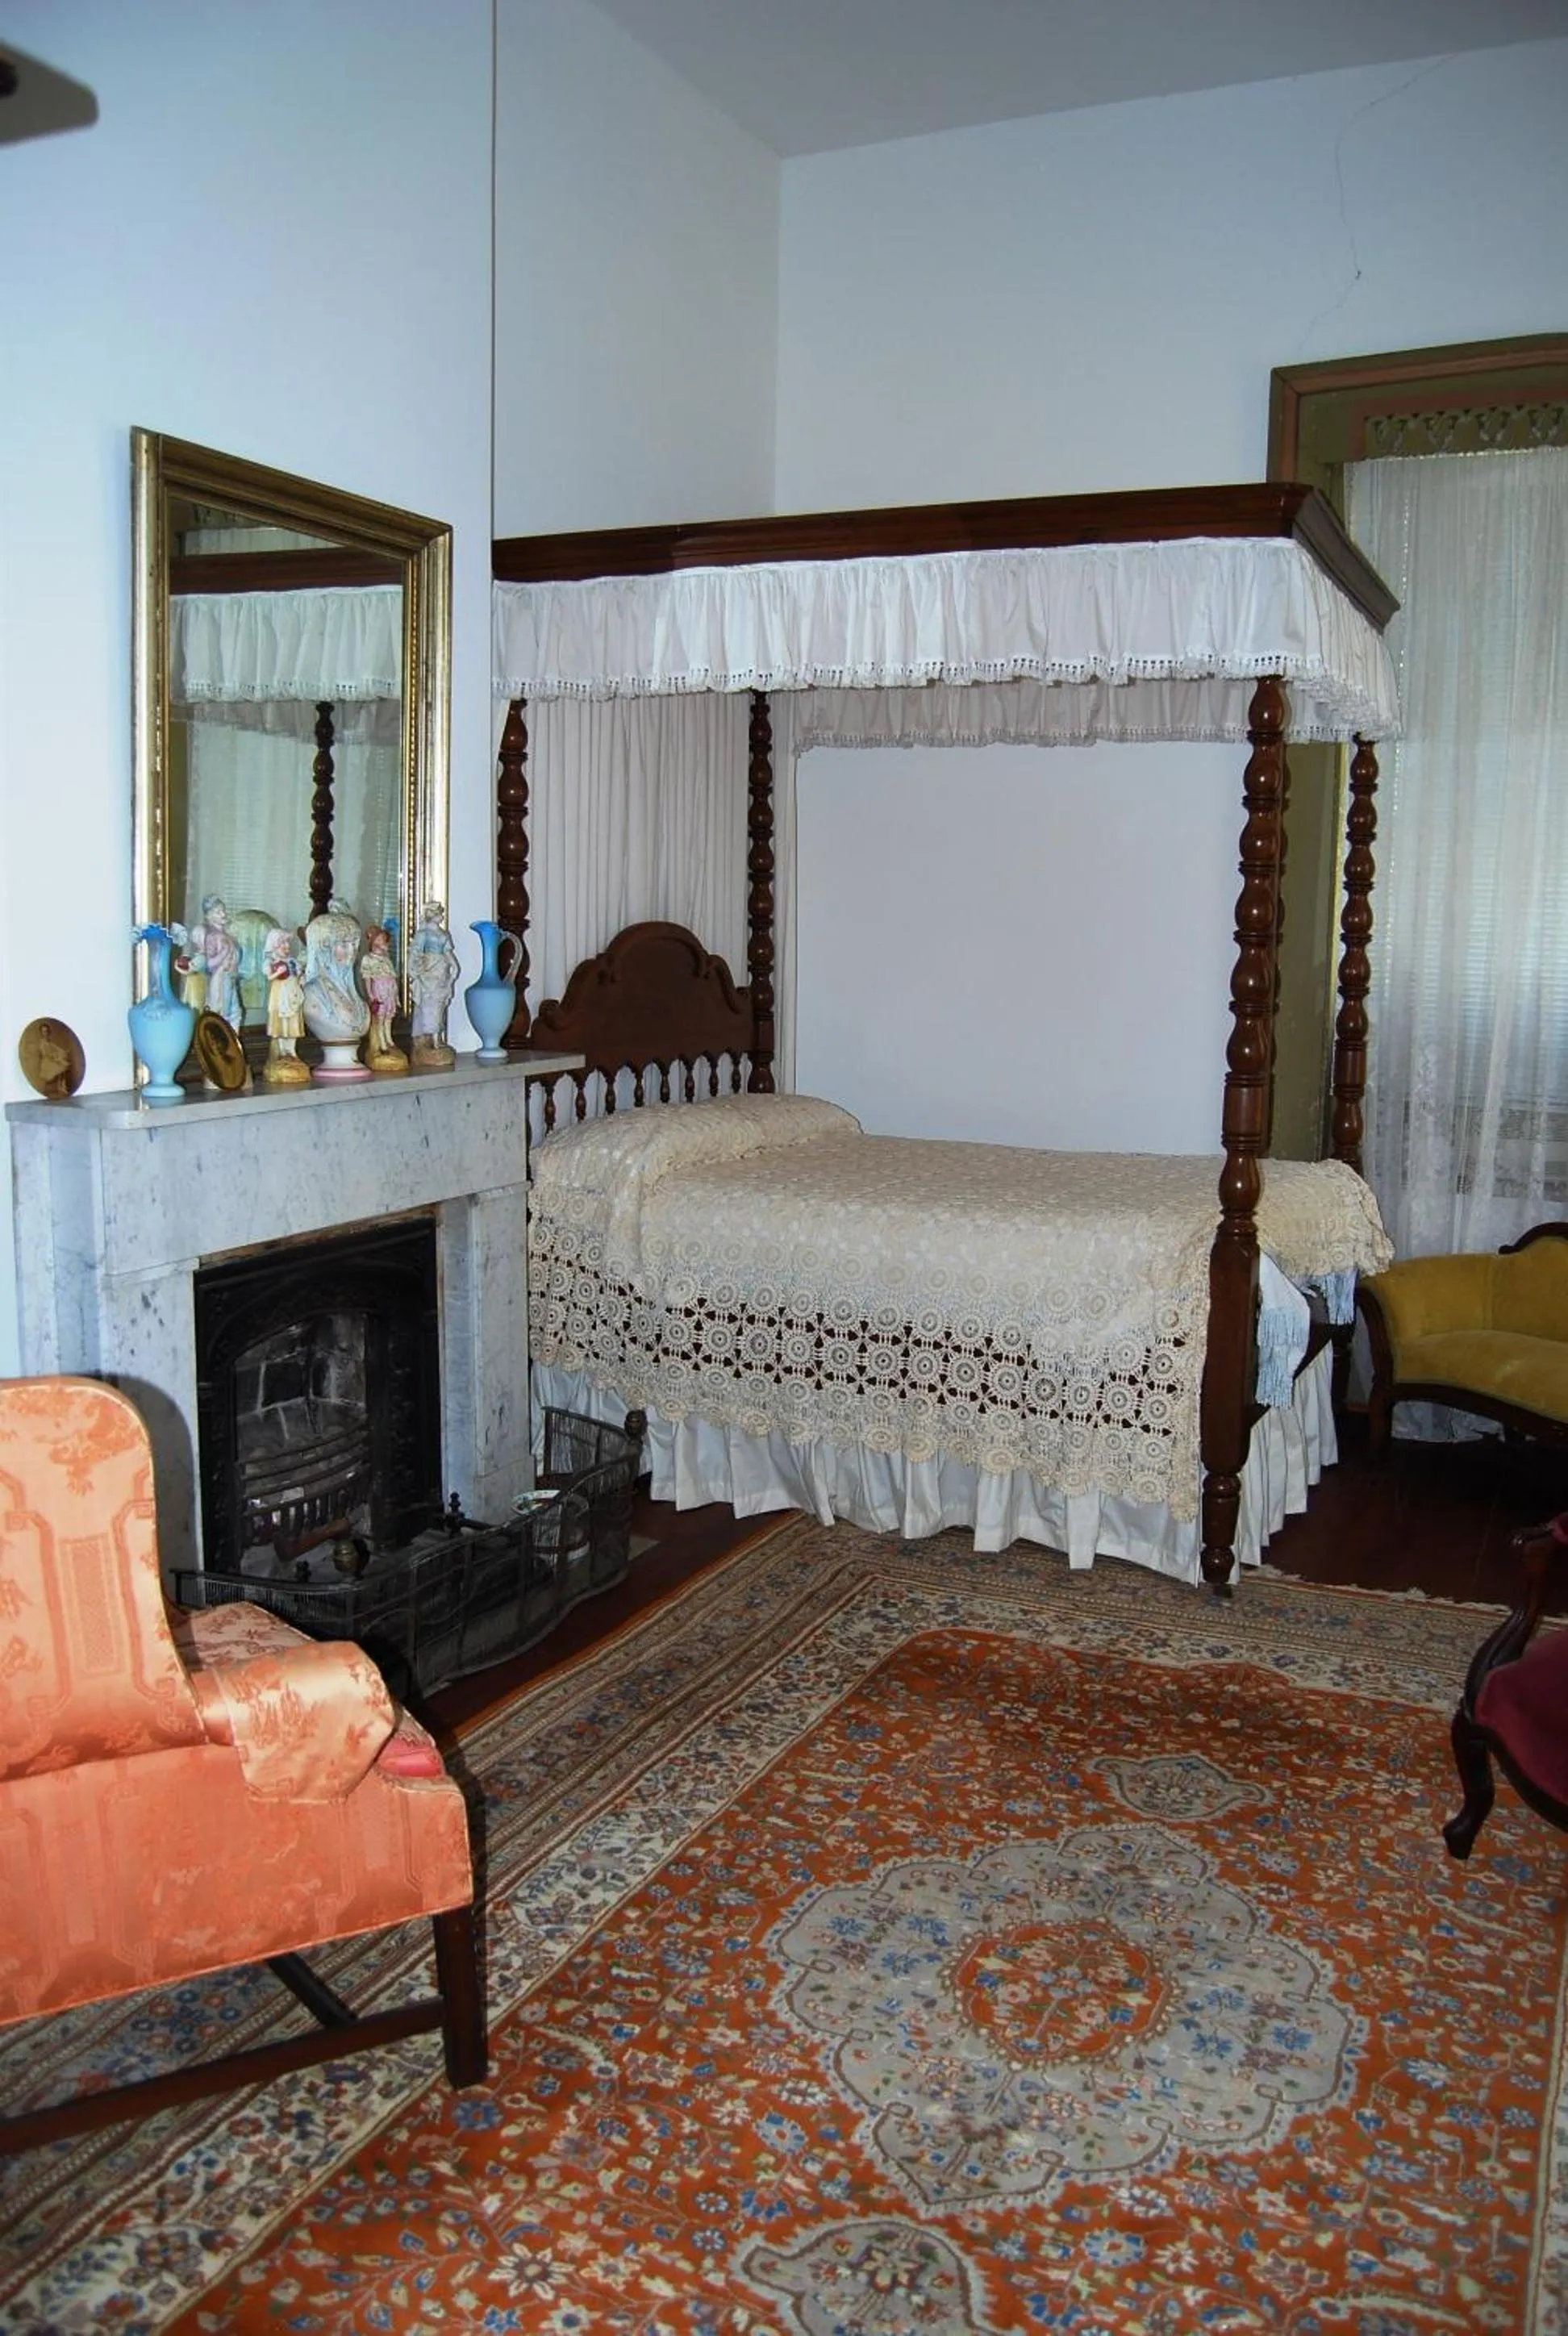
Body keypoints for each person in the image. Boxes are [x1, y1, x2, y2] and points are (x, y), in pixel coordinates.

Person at [408, 898, 460, 1068]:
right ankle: (429, 1040)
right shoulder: (423, 934)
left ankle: (436, 1039)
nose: (441, 916)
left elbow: (448, 954)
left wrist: (454, 967)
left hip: (440, 972)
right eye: (438, 913)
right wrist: (417, 972)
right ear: (432, 915)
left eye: (441, 913)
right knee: (429, 1005)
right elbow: (414, 954)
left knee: (438, 1005)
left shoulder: (443, 934)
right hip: (429, 972)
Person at [261, 928, 311, 1087]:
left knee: (293, 1022)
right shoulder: (271, 961)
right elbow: (269, 976)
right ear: (275, 945)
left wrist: (302, 978)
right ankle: (282, 1052)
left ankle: (292, 1051)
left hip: (293, 994)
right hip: (280, 995)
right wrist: (278, 972)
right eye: (283, 943)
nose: (286, 946)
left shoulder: (293, 961)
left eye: (287, 943)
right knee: (282, 1024)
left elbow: (298, 975)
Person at [361, 923, 409, 1075]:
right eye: (382, 940)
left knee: (389, 1015)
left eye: (385, 940)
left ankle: (389, 1040)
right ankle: (381, 1043)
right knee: (380, 1017)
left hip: (389, 989)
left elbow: (392, 975)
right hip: (379, 989)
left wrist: (395, 991)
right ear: (375, 942)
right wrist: (371, 995)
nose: (385, 943)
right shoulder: (368, 959)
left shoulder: (386, 959)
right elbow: (367, 978)